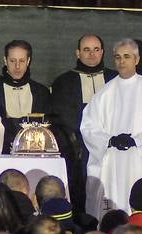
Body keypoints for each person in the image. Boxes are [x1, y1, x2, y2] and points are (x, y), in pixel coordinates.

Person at [79, 39, 142, 219]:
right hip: (111, 163)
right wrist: (109, 140)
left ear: (137, 60)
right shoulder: (104, 93)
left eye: (127, 57)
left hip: (138, 162)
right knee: (110, 209)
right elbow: (88, 125)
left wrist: (136, 141)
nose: (121, 61)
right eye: (118, 57)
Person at [49, 34, 116, 217]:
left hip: (112, 146)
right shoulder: (63, 82)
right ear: (78, 53)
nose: (92, 54)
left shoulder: (115, 79)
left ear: (102, 52)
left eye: (96, 49)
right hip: (78, 148)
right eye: (86, 50)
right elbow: (63, 117)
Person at [0, 40, 52, 150]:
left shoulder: (41, 92)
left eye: (22, 61)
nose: (17, 66)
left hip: (34, 150)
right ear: (5, 60)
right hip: (0, 151)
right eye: (12, 61)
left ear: (28, 61)